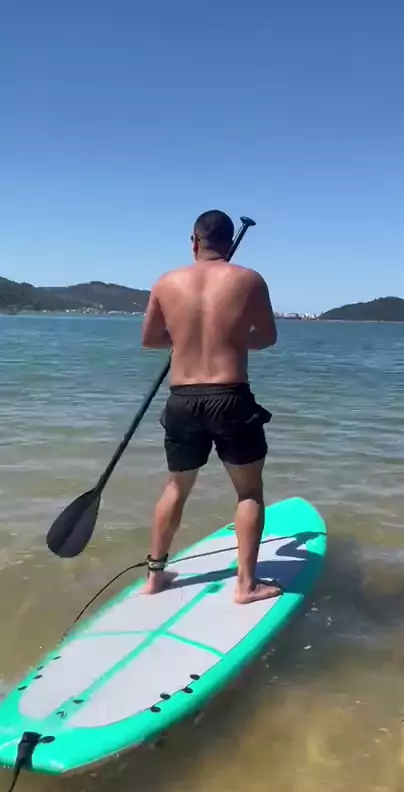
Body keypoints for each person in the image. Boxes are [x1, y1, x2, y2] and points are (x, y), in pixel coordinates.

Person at [140, 210, 282, 604]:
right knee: (249, 492)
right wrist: (231, 339)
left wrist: (186, 339)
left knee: (176, 487)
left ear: (194, 242)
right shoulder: (249, 280)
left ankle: (155, 577)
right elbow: (267, 337)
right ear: (229, 242)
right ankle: (246, 585)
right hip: (230, 398)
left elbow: (150, 339)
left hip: (183, 400)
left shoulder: (166, 282)